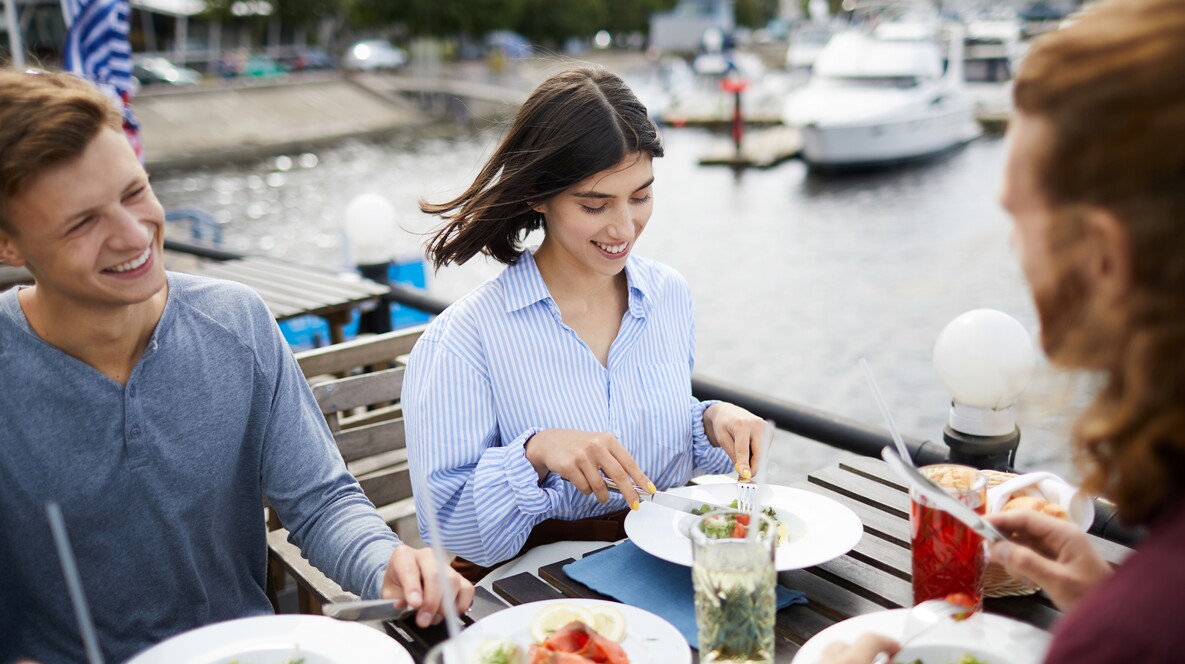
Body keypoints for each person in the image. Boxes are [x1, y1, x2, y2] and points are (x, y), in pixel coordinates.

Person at [0, 69, 473, 664]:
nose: (132, 234)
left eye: (134, 192)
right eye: (82, 221)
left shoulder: (238, 322)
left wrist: (391, 564)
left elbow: (322, 502)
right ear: (8, 244)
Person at [820, 0, 1185, 662]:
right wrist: (1105, 591)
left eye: (1018, 218)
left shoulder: (1128, 633)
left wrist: (1112, 626)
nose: (1011, 249)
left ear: (1101, 254)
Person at [403, 66, 765, 579]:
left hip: (663, 563)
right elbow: (449, 531)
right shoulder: (463, 340)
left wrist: (709, 420)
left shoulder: (668, 296)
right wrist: (537, 452)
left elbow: (647, 430)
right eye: (595, 205)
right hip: (533, 591)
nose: (624, 228)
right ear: (537, 195)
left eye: (641, 196)